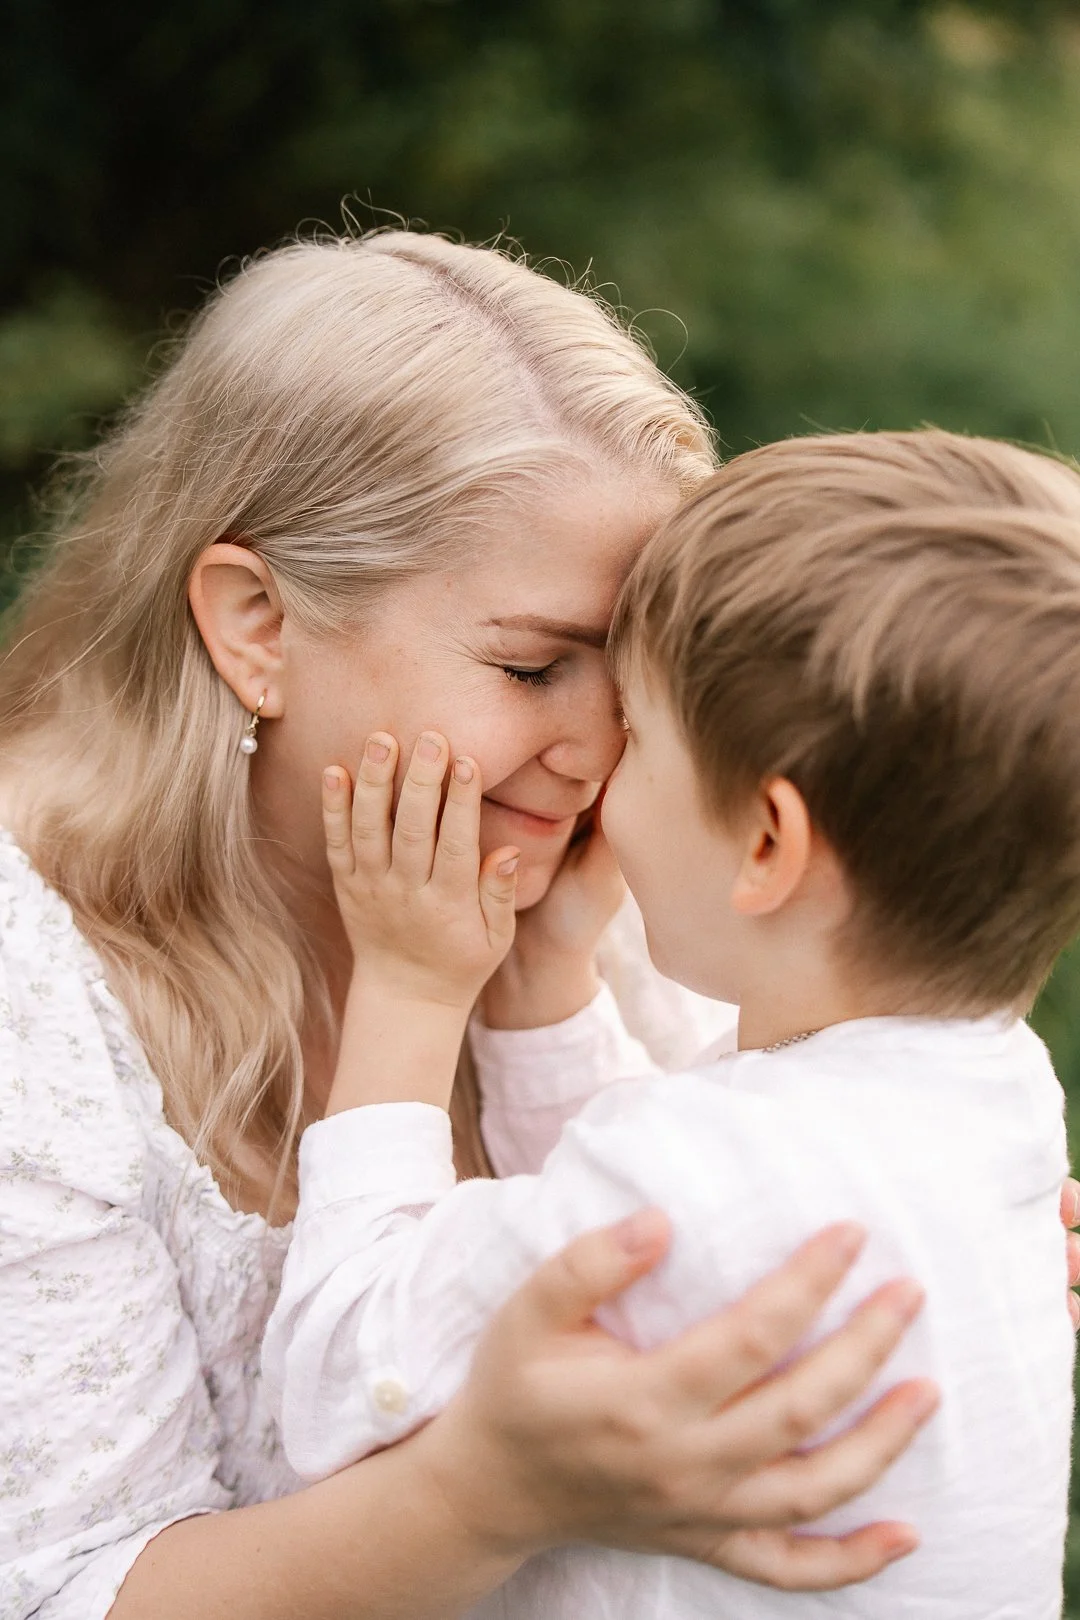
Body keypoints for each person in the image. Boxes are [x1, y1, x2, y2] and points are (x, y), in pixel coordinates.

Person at [0, 232, 958, 1620]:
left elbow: (719, 1274)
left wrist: (903, 1249)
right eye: (530, 666)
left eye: (633, 678)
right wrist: (489, 1494)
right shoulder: (31, 984)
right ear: (256, 623)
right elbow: (63, 1590)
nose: (598, 750)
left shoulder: (579, 874)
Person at [262, 429, 1079, 1617]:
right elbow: (626, 1235)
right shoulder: (996, 1105)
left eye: (638, 733)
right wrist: (550, 984)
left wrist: (411, 990)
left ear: (768, 843)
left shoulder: (701, 1172)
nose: (595, 770)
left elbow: (345, 1376)